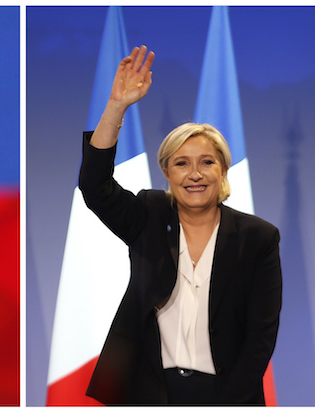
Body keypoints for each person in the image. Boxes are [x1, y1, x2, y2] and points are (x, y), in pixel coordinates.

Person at [79, 46, 282, 405]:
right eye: (181, 163)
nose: (195, 174)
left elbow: (260, 336)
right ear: (167, 173)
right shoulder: (149, 215)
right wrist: (116, 106)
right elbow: (94, 187)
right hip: (147, 392)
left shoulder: (258, 238)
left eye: (207, 162)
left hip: (226, 394)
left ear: (222, 170)